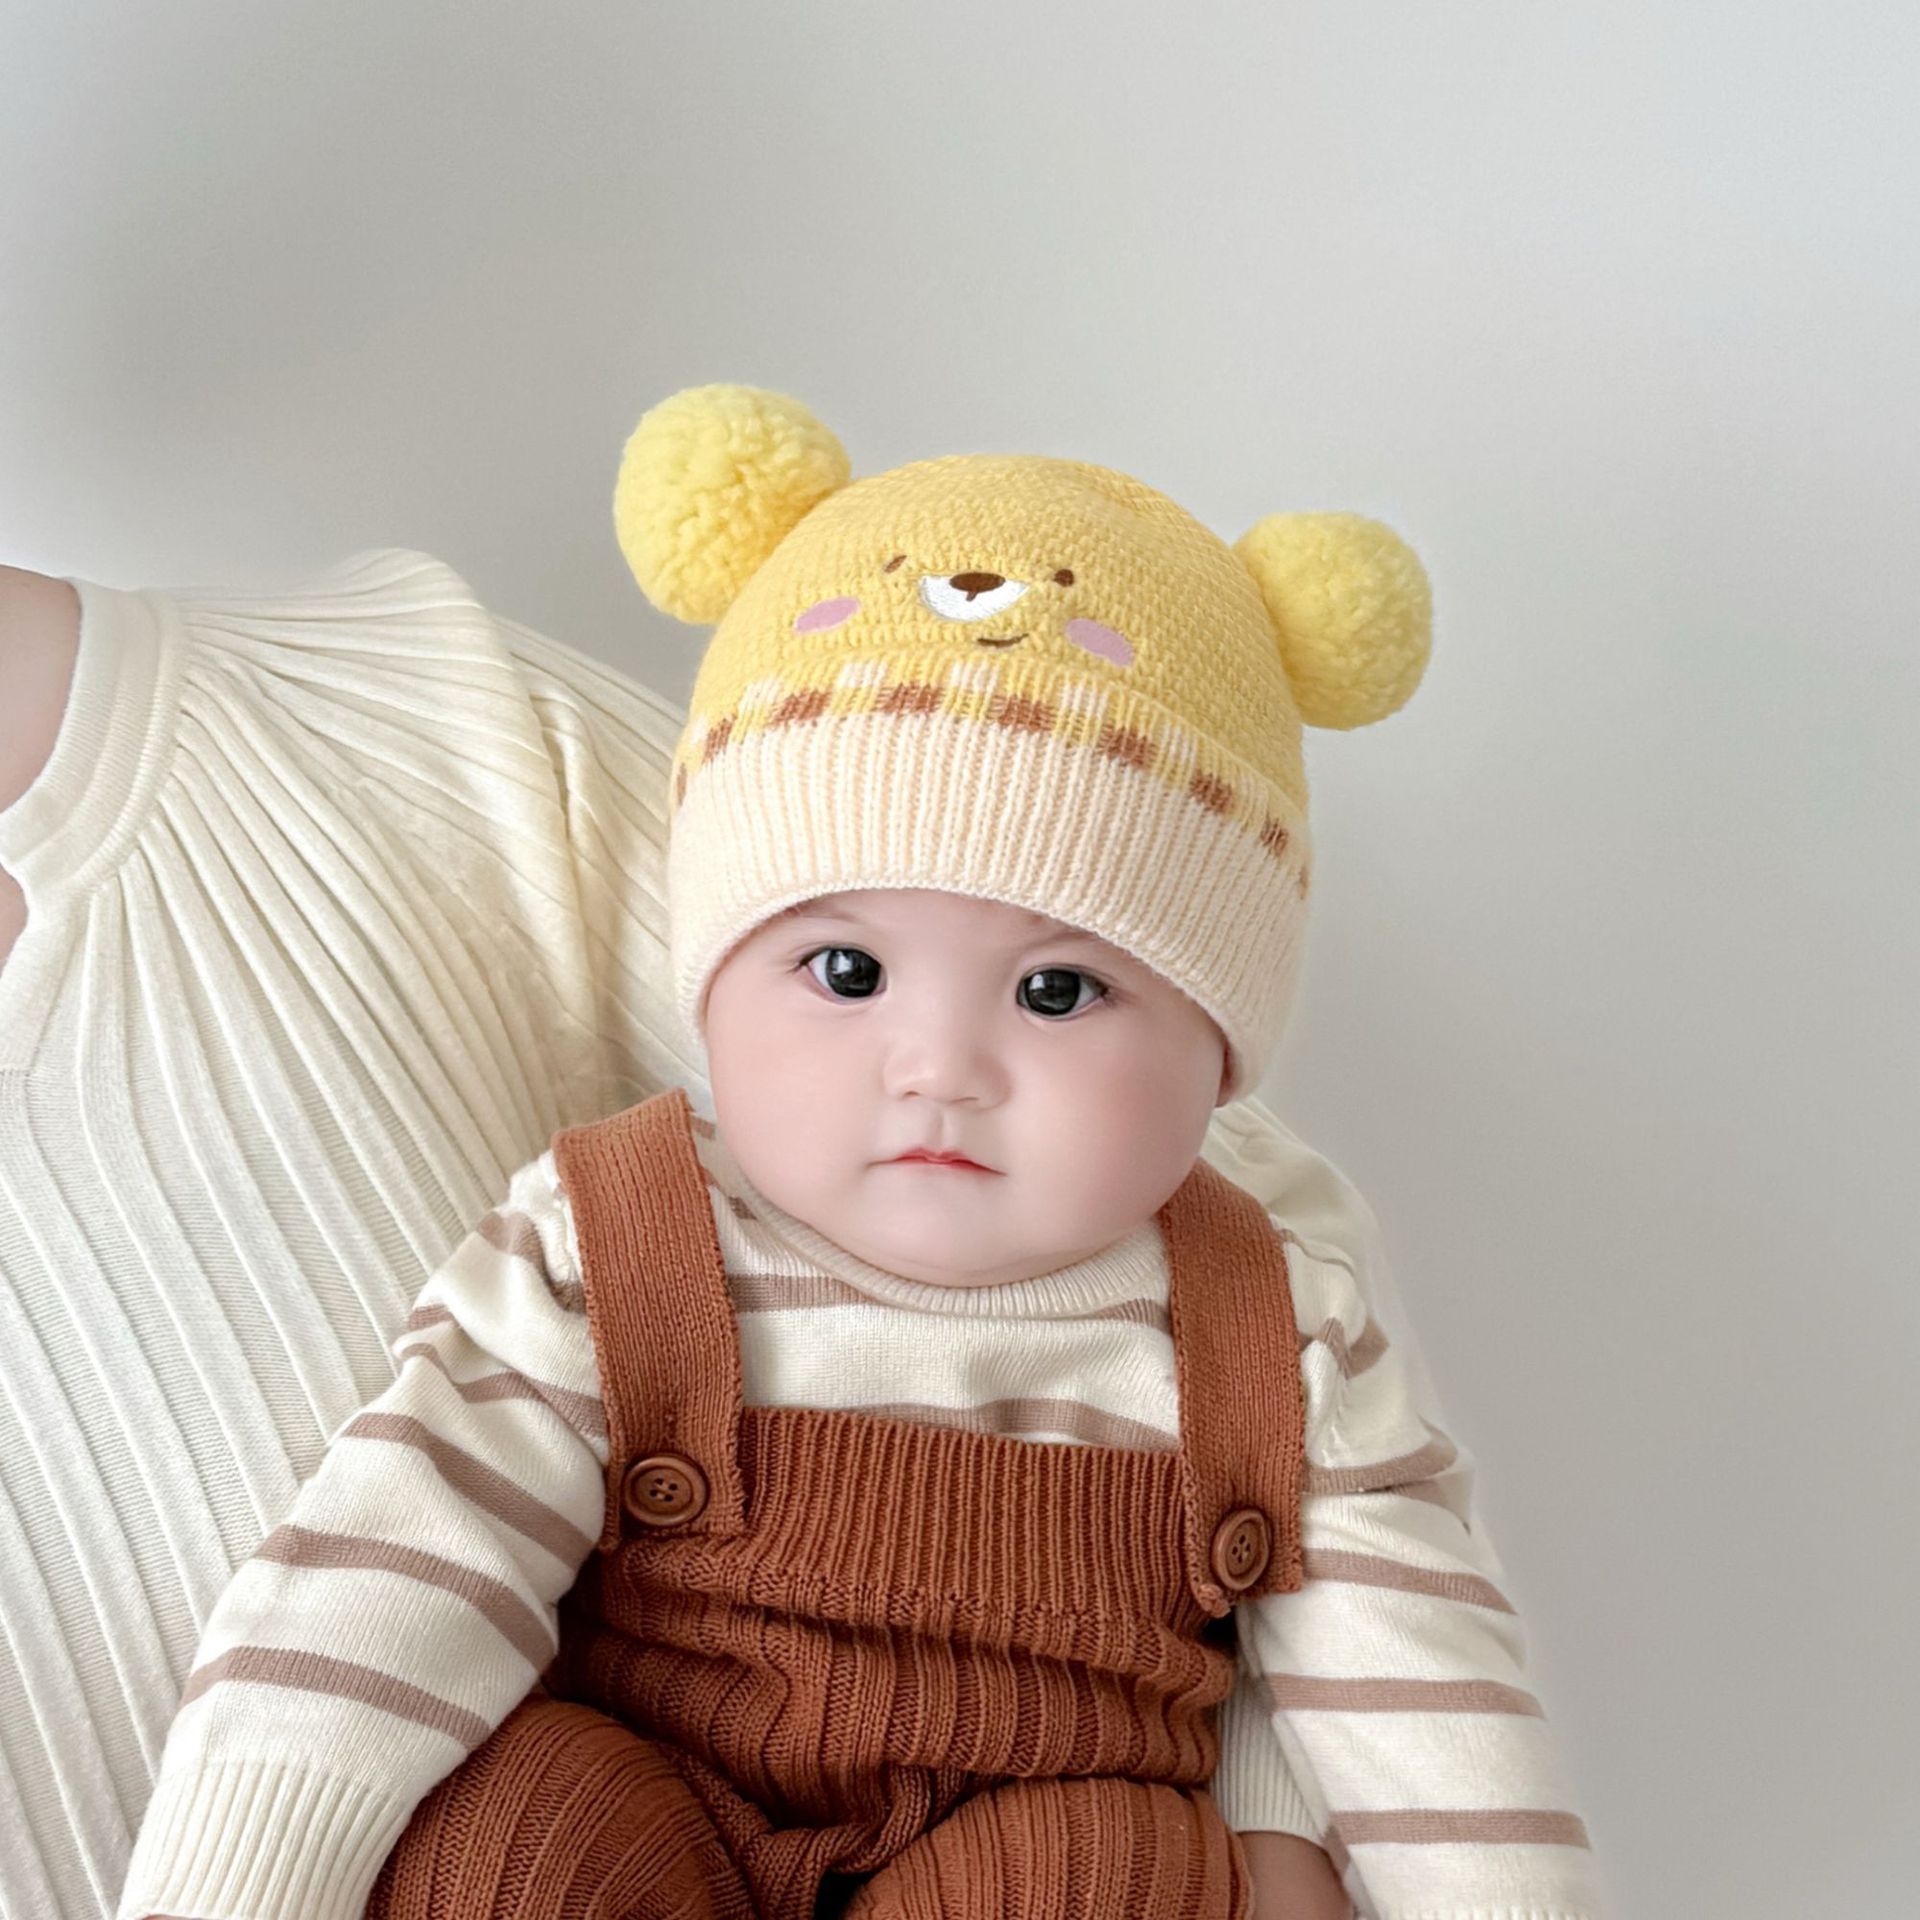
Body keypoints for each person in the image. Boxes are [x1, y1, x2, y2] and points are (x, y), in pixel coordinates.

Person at [108, 383, 1604, 1919]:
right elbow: (390, 1574)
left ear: (1217, 1054)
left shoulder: (1269, 1321)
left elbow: (1430, 1708)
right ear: (710, 990)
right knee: (509, 1835)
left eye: (1057, 992)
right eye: (845, 971)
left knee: (1118, 1878)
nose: (938, 1068)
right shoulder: (613, 1242)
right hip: (657, 1820)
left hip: (1037, 1835)